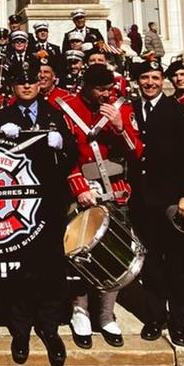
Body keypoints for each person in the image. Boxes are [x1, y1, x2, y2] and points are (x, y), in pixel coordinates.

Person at [49, 63, 141, 349]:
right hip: (82, 189)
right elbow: (63, 153)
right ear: (86, 86)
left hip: (115, 187)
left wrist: (119, 127)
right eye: (99, 89)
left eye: (108, 89)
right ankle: (80, 311)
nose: (104, 94)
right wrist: (78, 187)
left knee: (116, 253)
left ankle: (105, 313)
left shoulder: (121, 108)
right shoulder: (65, 107)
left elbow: (136, 152)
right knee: (80, 253)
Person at [0, 61, 72, 366]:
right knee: (19, 267)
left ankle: (50, 327)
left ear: (41, 84)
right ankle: (20, 329)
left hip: (48, 199)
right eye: (20, 83)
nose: (26, 87)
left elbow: (72, 151)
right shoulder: (3, 117)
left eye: (32, 82)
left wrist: (61, 142)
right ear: (12, 87)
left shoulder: (54, 114)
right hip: (14, 204)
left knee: (51, 265)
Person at [127, 58, 184, 347]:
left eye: (155, 78)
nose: (150, 83)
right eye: (145, 79)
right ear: (138, 82)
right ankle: (155, 317)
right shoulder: (130, 111)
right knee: (152, 264)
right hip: (142, 200)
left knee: (178, 264)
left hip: (172, 201)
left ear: (163, 80)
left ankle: (179, 321)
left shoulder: (179, 111)